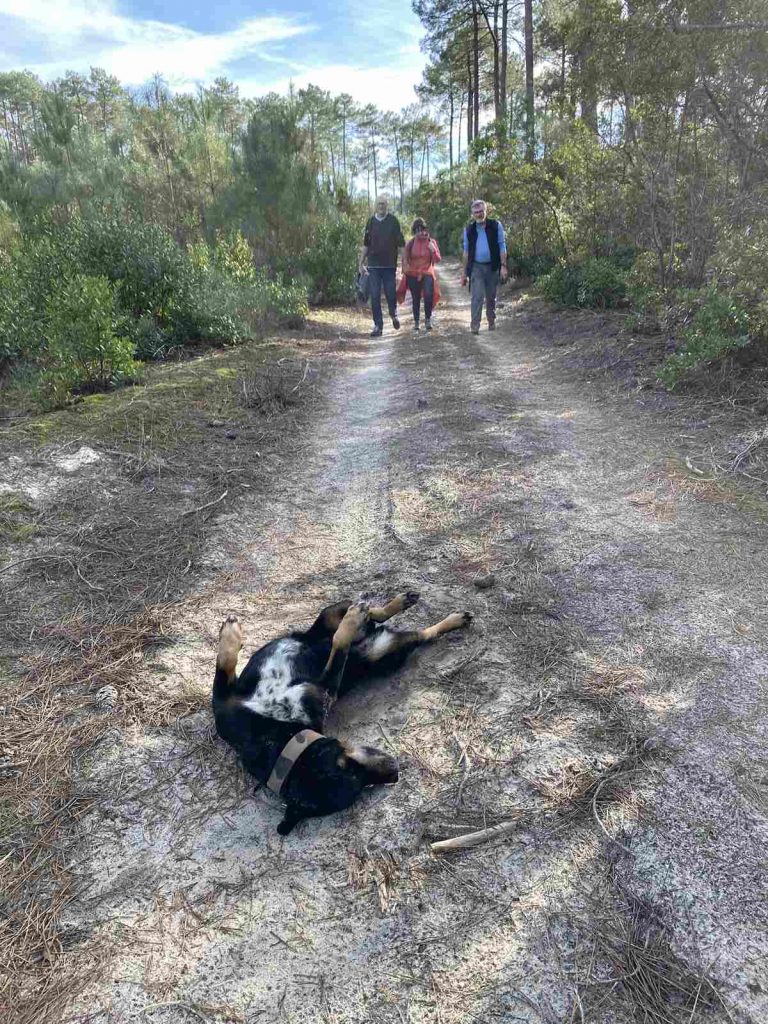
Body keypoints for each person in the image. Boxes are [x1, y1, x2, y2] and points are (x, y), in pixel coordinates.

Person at [359, 196, 406, 338]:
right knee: (374, 296)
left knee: (391, 293)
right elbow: (366, 244)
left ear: (387, 206)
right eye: (379, 204)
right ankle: (378, 326)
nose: (381, 206)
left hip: (389, 265)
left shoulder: (393, 221)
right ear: (375, 205)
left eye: (383, 204)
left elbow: (401, 244)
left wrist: (404, 262)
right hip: (373, 266)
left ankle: (393, 313)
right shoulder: (370, 222)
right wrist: (361, 262)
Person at [461, 199, 508, 334]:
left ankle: (491, 320)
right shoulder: (469, 230)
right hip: (476, 267)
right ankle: (475, 326)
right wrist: (464, 272)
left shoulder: (496, 225)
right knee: (477, 296)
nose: (479, 214)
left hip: (492, 266)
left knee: (491, 296)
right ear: (472, 214)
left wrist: (503, 266)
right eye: (476, 212)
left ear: (486, 211)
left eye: (481, 211)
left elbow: (502, 246)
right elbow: (466, 252)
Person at [401, 218, 441, 332]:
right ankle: (417, 322)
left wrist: (433, 250)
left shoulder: (431, 242)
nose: (419, 232)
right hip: (413, 273)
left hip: (427, 272)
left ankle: (428, 319)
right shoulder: (411, 243)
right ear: (414, 231)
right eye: (417, 230)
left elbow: (438, 259)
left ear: (425, 229)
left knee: (428, 295)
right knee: (416, 298)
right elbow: (405, 258)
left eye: (421, 229)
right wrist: (405, 268)